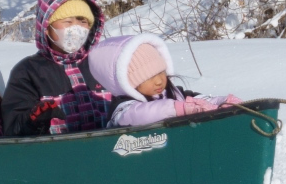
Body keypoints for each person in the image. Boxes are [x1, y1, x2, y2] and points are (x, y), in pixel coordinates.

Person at [2, 0, 111, 136]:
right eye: (67, 21)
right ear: (47, 26)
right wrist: (34, 121)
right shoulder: (28, 72)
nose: (76, 28)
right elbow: (13, 128)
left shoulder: (102, 62)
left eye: (83, 21)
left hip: (108, 152)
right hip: (56, 155)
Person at [89, 33, 240, 127]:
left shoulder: (174, 94)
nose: (159, 81)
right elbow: (139, 115)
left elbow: (200, 100)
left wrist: (223, 102)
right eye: (148, 77)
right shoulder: (122, 107)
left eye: (161, 72)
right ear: (128, 84)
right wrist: (178, 109)